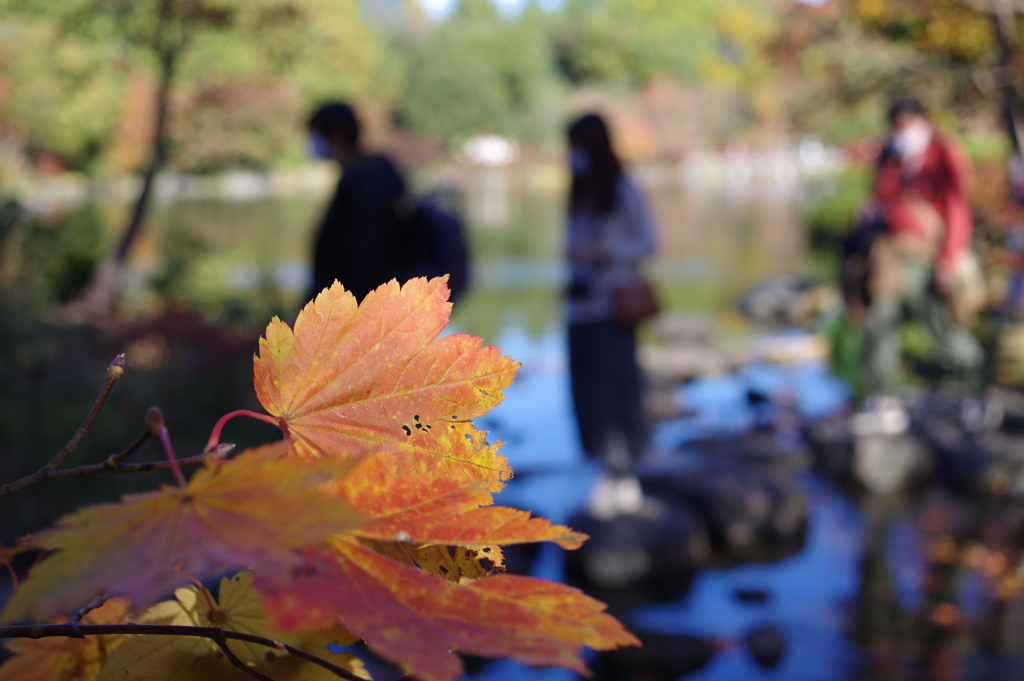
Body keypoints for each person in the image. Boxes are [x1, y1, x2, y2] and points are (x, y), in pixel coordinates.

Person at [852, 97, 984, 434]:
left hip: (926, 256)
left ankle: (976, 392)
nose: (903, 132)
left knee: (942, 328)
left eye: (908, 124)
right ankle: (886, 399)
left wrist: (949, 258)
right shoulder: (890, 156)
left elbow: (957, 208)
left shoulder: (943, 153)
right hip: (888, 256)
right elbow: (881, 195)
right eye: (897, 126)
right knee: (880, 321)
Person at [564, 113, 658, 475]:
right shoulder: (580, 191)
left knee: (615, 391)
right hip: (579, 307)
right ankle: (600, 465)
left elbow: (649, 241)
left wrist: (608, 251)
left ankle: (626, 467)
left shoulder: (620, 189)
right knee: (586, 392)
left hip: (611, 306)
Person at [306, 102, 407, 303]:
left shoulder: (364, 184)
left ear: (337, 135)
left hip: (361, 304)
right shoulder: (369, 175)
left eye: (316, 136)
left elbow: (364, 256)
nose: (312, 144)